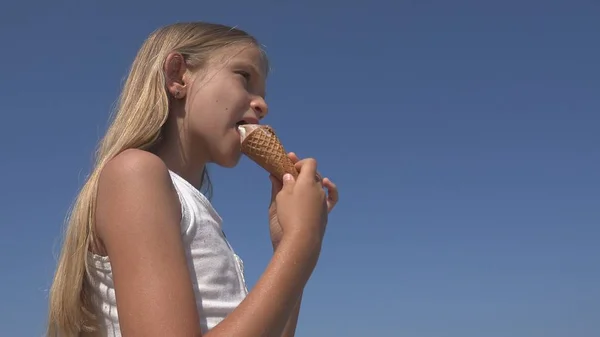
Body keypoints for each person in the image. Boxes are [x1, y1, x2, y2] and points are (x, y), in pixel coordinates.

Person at [46, 22, 339, 337]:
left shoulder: (190, 205)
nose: (262, 105)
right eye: (244, 76)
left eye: (263, 94)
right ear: (178, 76)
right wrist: (302, 241)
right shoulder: (135, 172)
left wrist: (286, 245)